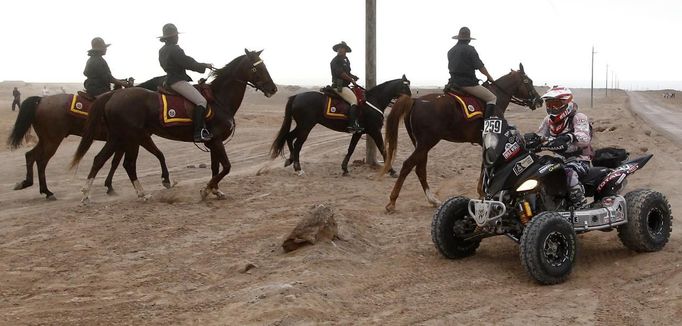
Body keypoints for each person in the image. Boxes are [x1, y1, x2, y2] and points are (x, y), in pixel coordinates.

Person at [535, 86, 593, 207]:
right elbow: (540, 136)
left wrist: (569, 137)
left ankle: (580, 205)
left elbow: (585, 138)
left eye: (555, 104)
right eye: (549, 104)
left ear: (567, 102)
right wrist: (533, 139)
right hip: (559, 160)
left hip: (580, 160)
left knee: (568, 173)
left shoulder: (578, 117)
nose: (552, 108)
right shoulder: (548, 120)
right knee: (537, 171)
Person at [158, 23, 214, 142]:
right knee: (201, 101)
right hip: (177, 80)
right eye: (175, 35)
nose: (177, 37)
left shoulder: (162, 50)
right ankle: (199, 132)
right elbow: (188, 62)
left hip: (168, 80)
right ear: (171, 37)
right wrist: (204, 65)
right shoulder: (175, 49)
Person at [447, 27, 497, 119]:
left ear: (458, 38)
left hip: (453, 84)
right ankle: (487, 126)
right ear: (468, 40)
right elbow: (480, 67)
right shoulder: (470, 49)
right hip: (468, 84)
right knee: (492, 98)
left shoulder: (450, 51)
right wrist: (489, 77)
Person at [330, 41, 362, 133]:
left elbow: (347, 73)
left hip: (345, 85)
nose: (340, 49)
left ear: (345, 50)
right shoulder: (335, 61)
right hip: (339, 85)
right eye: (339, 48)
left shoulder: (346, 60)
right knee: (354, 101)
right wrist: (351, 80)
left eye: (342, 48)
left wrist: (353, 76)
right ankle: (352, 125)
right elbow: (341, 73)